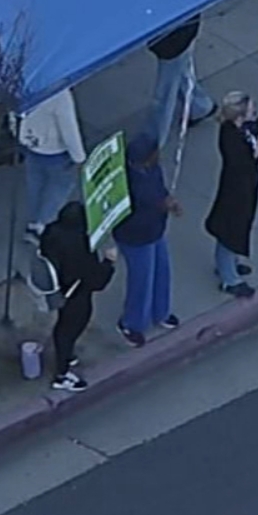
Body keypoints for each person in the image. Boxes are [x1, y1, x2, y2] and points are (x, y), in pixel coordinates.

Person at [205, 91, 258, 298]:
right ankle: (229, 279)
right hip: (235, 193)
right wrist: (256, 155)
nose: (254, 112)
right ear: (239, 116)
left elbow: (254, 129)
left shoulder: (238, 128)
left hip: (243, 190)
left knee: (235, 230)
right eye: (251, 110)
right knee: (230, 232)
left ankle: (229, 264)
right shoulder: (230, 138)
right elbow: (239, 166)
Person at [38, 201, 117, 392]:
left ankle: (66, 355)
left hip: (60, 289)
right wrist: (108, 262)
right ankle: (62, 374)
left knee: (64, 325)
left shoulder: (51, 232)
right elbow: (96, 280)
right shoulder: (81, 245)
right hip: (77, 292)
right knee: (71, 328)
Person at [112, 133, 181, 347]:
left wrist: (166, 200)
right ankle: (131, 324)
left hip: (154, 229)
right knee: (141, 281)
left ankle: (161, 312)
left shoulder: (152, 170)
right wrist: (162, 205)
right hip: (135, 236)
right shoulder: (128, 183)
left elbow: (159, 190)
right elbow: (133, 212)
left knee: (161, 270)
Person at [14, 85, 87, 240]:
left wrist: (19, 136)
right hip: (55, 152)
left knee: (35, 185)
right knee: (58, 190)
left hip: (31, 145)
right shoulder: (60, 95)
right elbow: (69, 128)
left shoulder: (26, 85)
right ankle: (42, 225)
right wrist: (79, 157)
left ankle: (33, 220)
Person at [146, 17, 218, 151]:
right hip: (181, 35)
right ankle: (200, 105)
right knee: (180, 71)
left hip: (174, 40)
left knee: (165, 93)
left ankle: (154, 141)